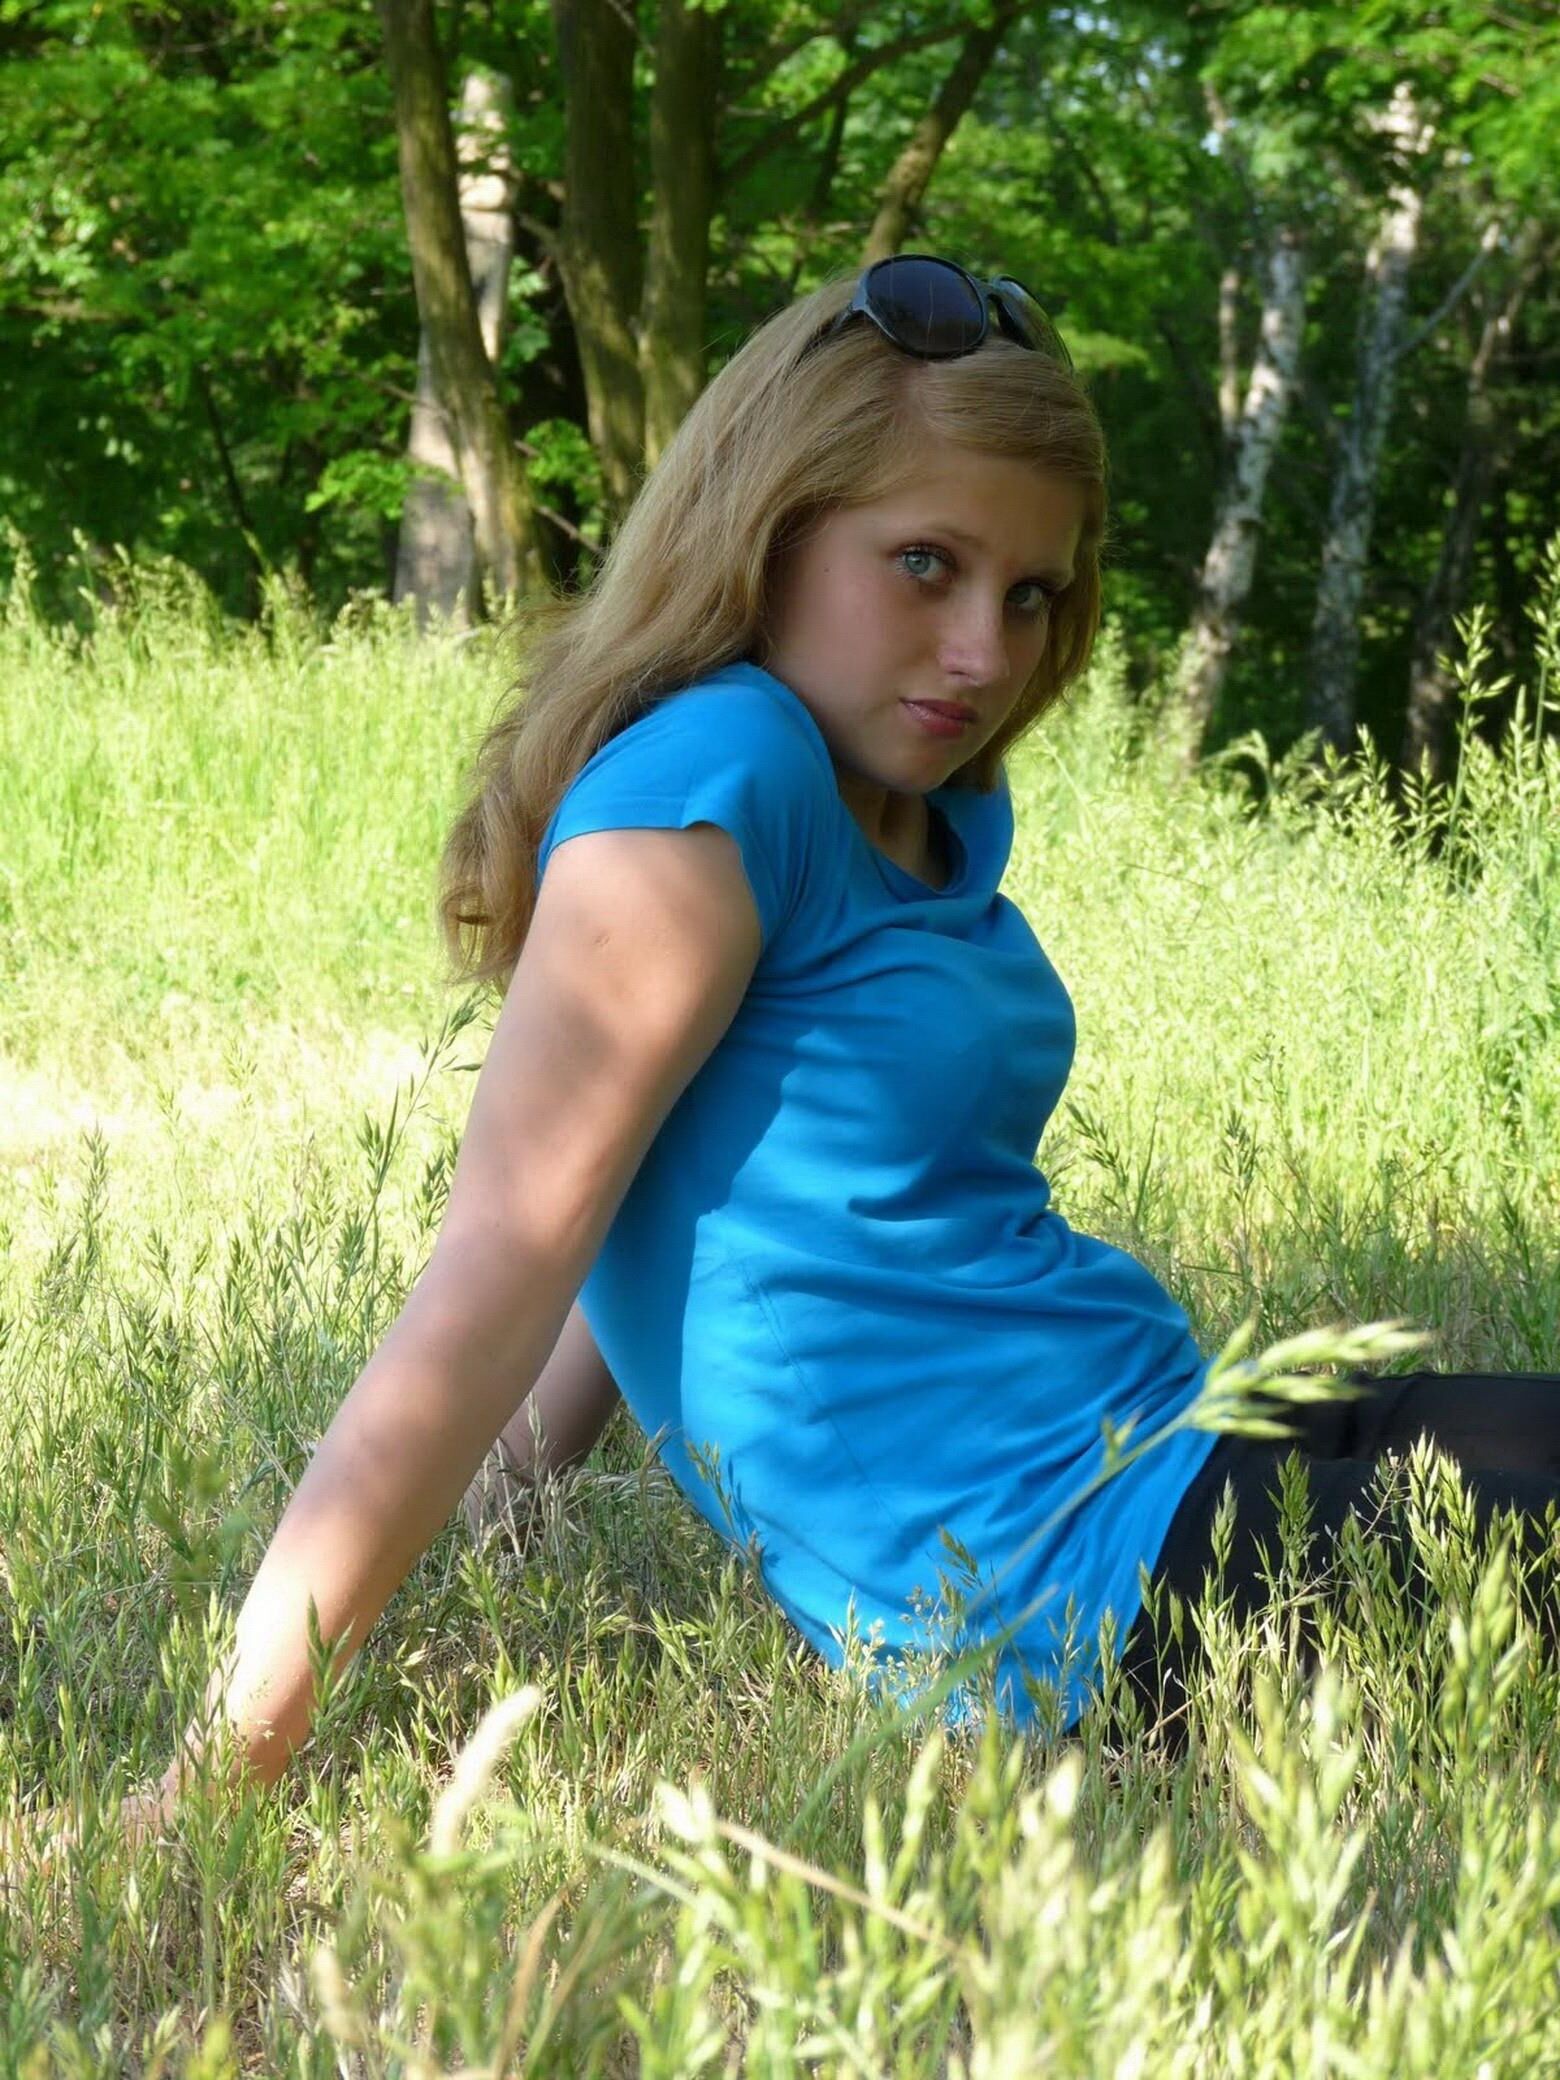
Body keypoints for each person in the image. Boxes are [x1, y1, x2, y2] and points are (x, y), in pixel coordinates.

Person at [48, 257, 1560, 1839]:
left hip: (1197, 1454)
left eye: (1029, 593)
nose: (984, 649)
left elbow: (634, 1228)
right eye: (925, 564)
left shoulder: (918, 812)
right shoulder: (721, 776)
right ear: (765, 536)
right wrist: (220, 1774)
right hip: (1093, 1602)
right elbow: (494, 1280)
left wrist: (497, 1529)